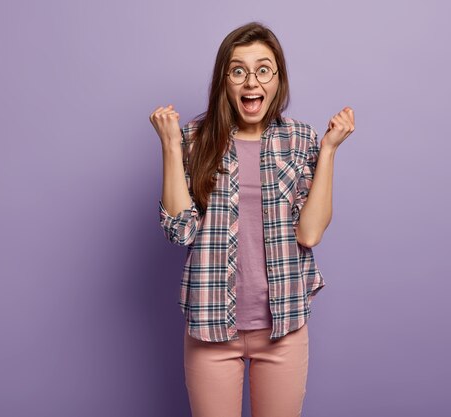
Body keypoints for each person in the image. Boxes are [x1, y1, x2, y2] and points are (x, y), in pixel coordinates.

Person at [149, 21, 354, 417]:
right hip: (211, 326)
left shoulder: (301, 139)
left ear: (277, 79)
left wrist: (328, 151)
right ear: (224, 80)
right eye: (238, 70)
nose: (251, 81)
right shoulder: (195, 138)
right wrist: (171, 147)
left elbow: (309, 234)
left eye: (263, 69)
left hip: (283, 327)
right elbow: (180, 230)